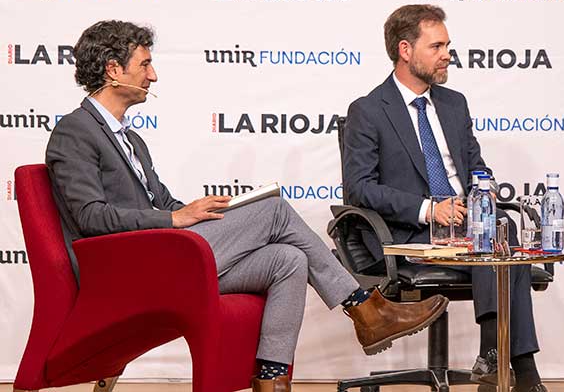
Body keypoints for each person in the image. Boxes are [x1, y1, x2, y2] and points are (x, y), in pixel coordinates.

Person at [46, 20, 449, 392]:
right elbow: (90, 217)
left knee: (288, 258)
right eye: (145, 65)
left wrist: (196, 210)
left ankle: (271, 380)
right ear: (114, 70)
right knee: (275, 211)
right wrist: (174, 218)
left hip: (162, 254)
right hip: (129, 270)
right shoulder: (74, 132)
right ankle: (365, 309)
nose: (153, 76)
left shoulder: (131, 140)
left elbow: (162, 203)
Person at [342, 4, 547, 392]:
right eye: (436, 46)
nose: (447, 54)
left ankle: (492, 355)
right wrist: (429, 210)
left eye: (447, 45)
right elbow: (359, 187)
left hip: (467, 227)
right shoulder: (368, 111)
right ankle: (521, 369)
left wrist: (479, 198)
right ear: (405, 50)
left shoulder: (455, 104)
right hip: (408, 233)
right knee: (498, 241)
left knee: (498, 229)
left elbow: (477, 170)